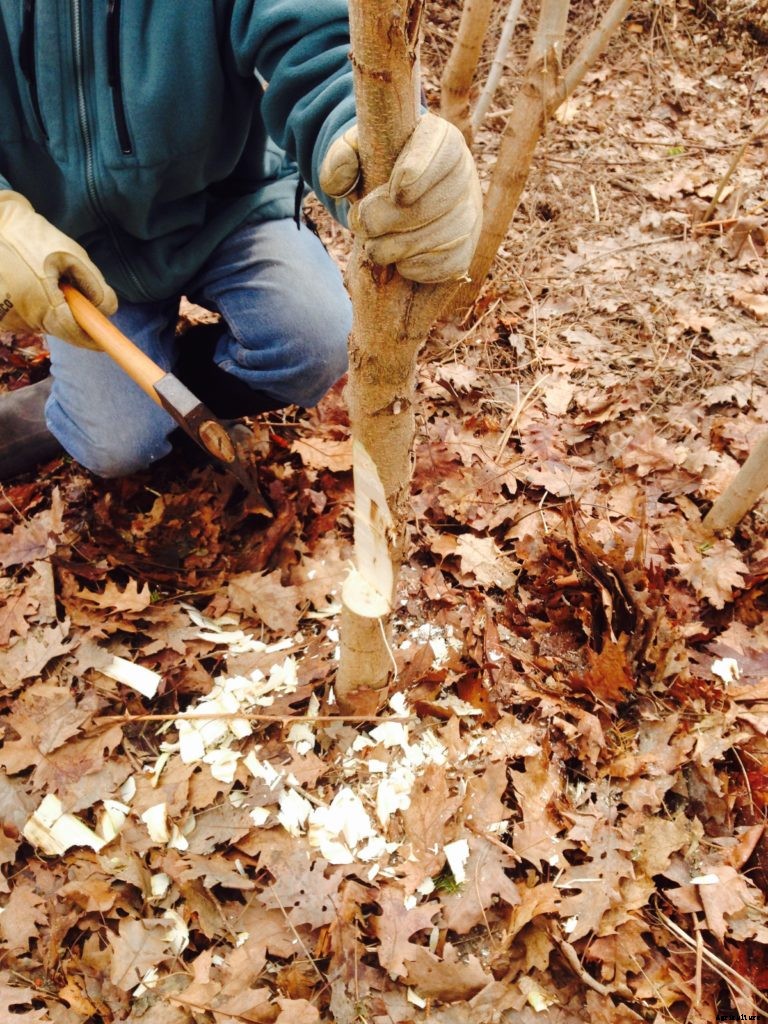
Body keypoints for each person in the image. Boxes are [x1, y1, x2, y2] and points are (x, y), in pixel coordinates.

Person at [0, 2, 482, 481]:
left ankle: (139, 385)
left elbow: (320, 45)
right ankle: (86, 403)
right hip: (74, 253)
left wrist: (374, 151)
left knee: (314, 339)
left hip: (230, 206)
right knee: (115, 445)